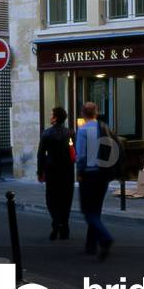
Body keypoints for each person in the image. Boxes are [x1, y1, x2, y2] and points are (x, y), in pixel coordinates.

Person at [75, 102, 114, 258]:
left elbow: (81, 155)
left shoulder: (83, 130)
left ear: (83, 114)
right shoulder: (104, 128)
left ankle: (105, 238)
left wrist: (79, 172)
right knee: (96, 209)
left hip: (90, 174)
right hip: (103, 174)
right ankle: (90, 245)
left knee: (87, 210)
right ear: (96, 113)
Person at [37, 106, 75, 240]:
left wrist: (40, 172)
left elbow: (41, 154)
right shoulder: (70, 134)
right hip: (67, 170)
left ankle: (56, 221)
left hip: (52, 169)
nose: (49, 117)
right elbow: (72, 151)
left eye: (52, 115)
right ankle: (64, 226)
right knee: (66, 198)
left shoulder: (46, 134)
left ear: (56, 118)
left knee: (51, 198)